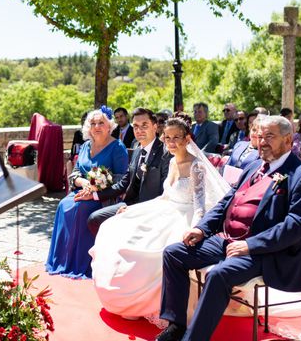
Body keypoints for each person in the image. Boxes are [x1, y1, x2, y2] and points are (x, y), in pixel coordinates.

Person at [156, 116, 301, 341]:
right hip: (227, 239)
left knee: (219, 275)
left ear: (288, 139)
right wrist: (202, 229)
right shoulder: (254, 166)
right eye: (260, 136)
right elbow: (226, 202)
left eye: (269, 137)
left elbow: (295, 226)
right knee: (174, 253)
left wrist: (250, 245)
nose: (262, 142)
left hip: (266, 250)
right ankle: (176, 325)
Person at [90, 117, 230, 321]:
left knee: (148, 251)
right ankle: (121, 297)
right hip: (165, 208)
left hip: (186, 215)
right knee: (113, 226)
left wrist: (195, 229)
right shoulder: (173, 161)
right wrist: (133, 210)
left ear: (187, 138)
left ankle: (146, 304)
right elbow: (165, 196)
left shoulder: (196, 166)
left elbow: (200, 204)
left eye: (177, 138)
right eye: (168, 138)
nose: (171, 143)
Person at [45, 107, 129, 279]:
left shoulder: (117, 147)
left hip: (104, 196)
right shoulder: (85, 146)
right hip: (81, 190)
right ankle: (63, 260)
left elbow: (121, 179)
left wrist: (96, 187)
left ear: (109, 126)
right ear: (88, 127)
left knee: (80, 209)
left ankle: (82, 263)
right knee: (64, 205)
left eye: (101, 123)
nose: (97, 126)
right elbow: (75, 172)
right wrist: (83, 182)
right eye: (93, 123)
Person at [82, 108, 171, 236]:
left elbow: (165, 193)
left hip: (151, 209)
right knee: (94, 219)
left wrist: (133, 209)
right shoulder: (137, 149)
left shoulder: (166, 153)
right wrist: (94, 195)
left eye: (144, 125)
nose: (139, 130)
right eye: (135, 126)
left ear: (155, 127)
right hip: (130, 204)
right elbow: (124, 182)